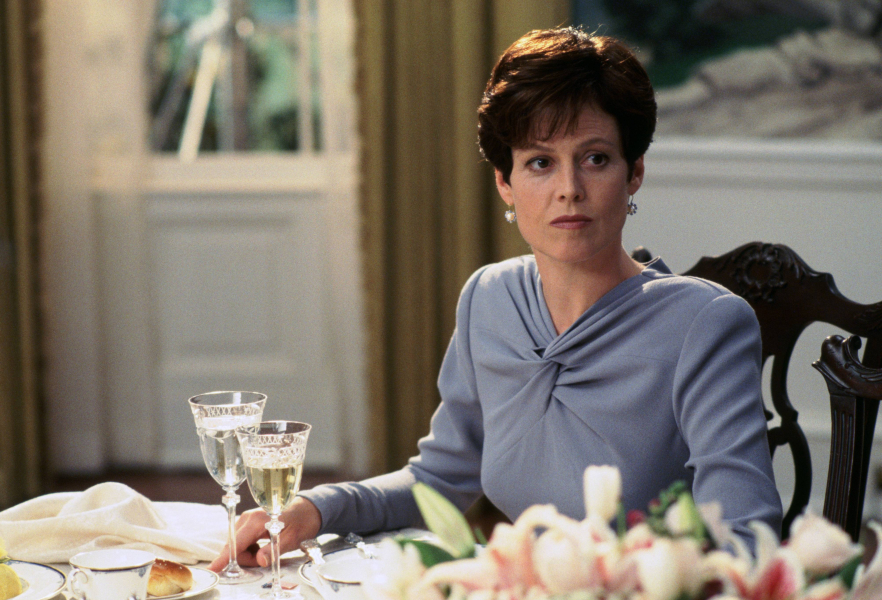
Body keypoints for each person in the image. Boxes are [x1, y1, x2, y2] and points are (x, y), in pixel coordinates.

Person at [210, 26, 782, 571]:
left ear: (633, 174)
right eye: (540, 162)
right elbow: (438, 480)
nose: (569, 189)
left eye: (596, 158)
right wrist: (315, 509)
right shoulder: (490, 298)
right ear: (505, 183)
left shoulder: (705, 325)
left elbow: (746, 540)